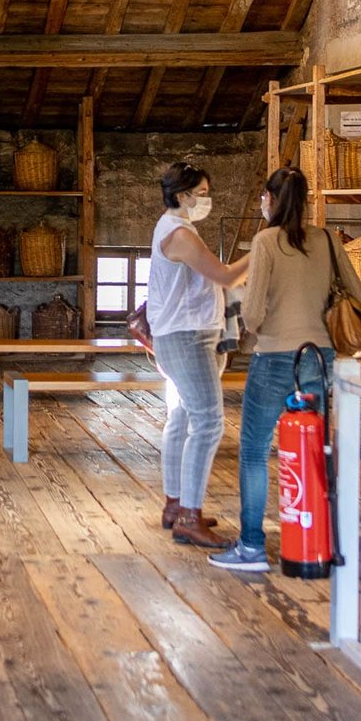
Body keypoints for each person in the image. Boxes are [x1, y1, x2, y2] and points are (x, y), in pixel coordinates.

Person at [210, 166, 361, 572]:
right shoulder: (328, 239)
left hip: (275, 357)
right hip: (320, 357)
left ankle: (251, 546)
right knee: (312, 449)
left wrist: (253, 316)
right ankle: (315, 537)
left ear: (271, 199)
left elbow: (255, 311)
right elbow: (360, 295)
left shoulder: (265, 242)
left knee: (255, 452)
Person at [149, 162, 248, 549]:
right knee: (208, 423)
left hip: (184, 334)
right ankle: (189, 515)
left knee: (183, 417)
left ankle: (176, 505)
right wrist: (263, 250)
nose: (205, 200)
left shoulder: (176, 229)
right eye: (201, 194)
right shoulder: (179, 235)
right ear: (181, 195)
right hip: (187, 337)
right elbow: (224, 277)